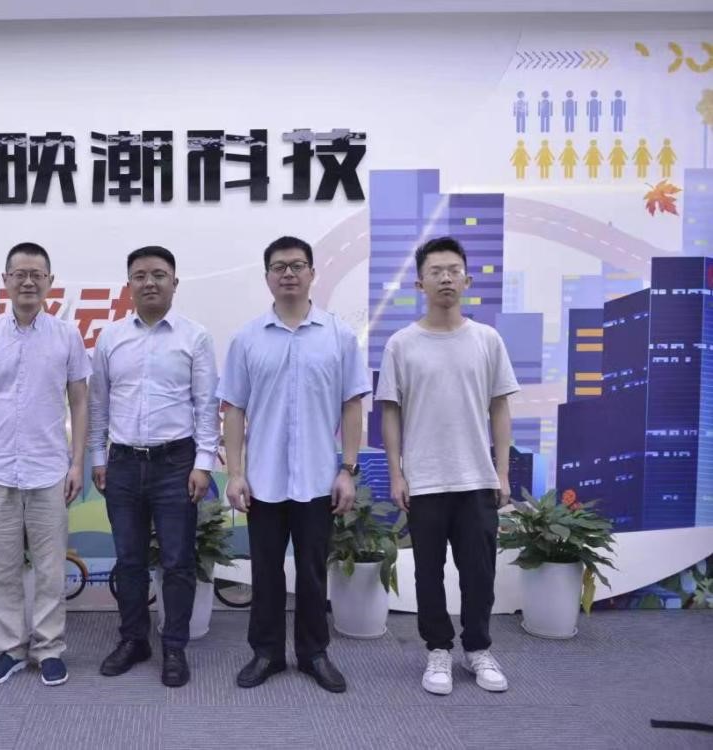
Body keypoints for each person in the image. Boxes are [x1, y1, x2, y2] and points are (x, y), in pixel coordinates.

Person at [218, 235, 370, 694]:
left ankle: (313, 653)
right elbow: (234, 410)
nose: (288, 273)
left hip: (319, 479)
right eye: (279, 266)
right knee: (265, 572)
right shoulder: (247, 338)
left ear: (312, 274)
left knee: (312, 571)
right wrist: (236, 473)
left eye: (297, 265)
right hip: (262, 481)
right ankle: (266, 653)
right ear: (267, 276)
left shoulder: (338, 336)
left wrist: (347, 469)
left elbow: (352, 405)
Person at [375, 236, 519, 697]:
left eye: (453, 270)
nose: (445, 278)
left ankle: (478, 649)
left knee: (479, 573)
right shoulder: (402, 344)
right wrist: (397, 473)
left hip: (476, 477)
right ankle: (437, 649)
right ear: (419, 283)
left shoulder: (487, 340)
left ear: (467, 280)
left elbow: (500, 408)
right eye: (435, 271)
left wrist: (502, 472)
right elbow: (391, 411)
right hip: (425, 480)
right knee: (428, 573)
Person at [0, 242, 90, 688]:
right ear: (5, 281)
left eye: (37, 274)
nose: (28, 282)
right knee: (0, 567)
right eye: (20, 274)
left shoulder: (67, 336)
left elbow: (80, 401)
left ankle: (49, 649)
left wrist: (77, 463)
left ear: (50, 282)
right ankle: (10, 649)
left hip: (49, 468)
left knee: (51, 568)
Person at [89, 245, 219, 688]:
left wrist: (203, 464)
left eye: (159, 274)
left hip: (175, 463)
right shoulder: (110, 338)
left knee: (178, 560)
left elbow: (206, 405)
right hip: (123, 463)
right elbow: (99, 404)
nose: (149, 282)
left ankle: (174, 646)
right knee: (129, 560)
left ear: (174, 283)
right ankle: (133, 640)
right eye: (140, 275)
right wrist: (98, 458)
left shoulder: (195, 337)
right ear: (128, 285)